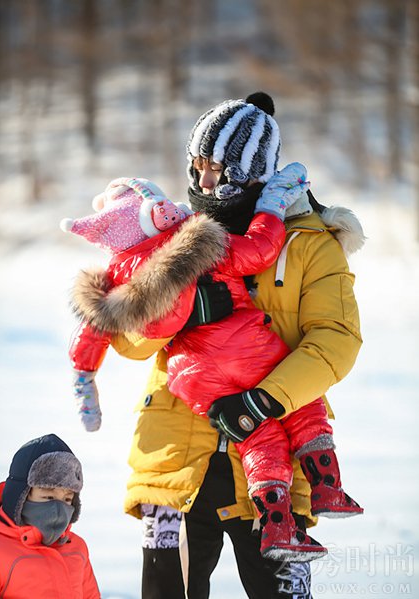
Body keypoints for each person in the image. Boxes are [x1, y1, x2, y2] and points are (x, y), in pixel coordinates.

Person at [94, 91, 364, 598]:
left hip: (277, 464)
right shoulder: (175, 236)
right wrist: (176, 312)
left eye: (219, 168)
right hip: (177, 461)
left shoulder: (309, 245)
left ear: (253, 170)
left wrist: (263, 401)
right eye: (197, 166)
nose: (204, 182)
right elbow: (126, 341)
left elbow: (336, 340)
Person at [0, 433, 100, 598]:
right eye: (48, 497)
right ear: (20, 496)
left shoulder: (77, 548)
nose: (58, 509)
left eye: (67, 499)